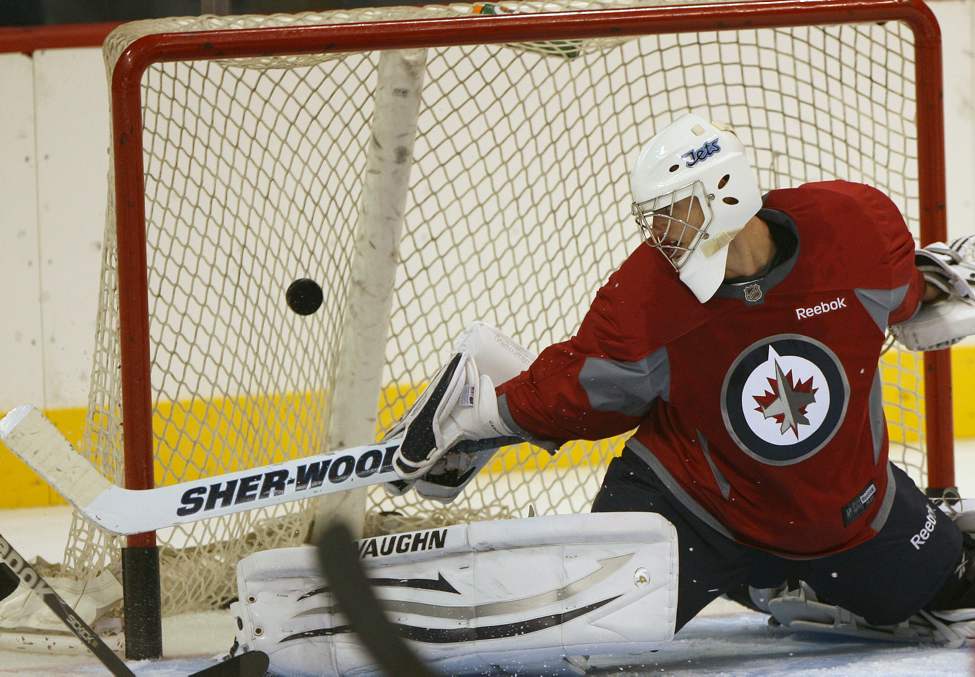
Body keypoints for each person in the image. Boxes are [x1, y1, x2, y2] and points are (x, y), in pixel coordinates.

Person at [391, 112, 975, 645]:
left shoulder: (854, 234)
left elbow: (900, 295)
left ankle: (783, 585)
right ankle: (766, 579)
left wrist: (936, 281)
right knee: (583, 630)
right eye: (655, 218)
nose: (660, 233)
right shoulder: (649, 295)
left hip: (851, 514)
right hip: (694, 510)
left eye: (672, 211)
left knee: (959, 594)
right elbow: (585, 389)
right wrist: (489, 415)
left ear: (723, 192)